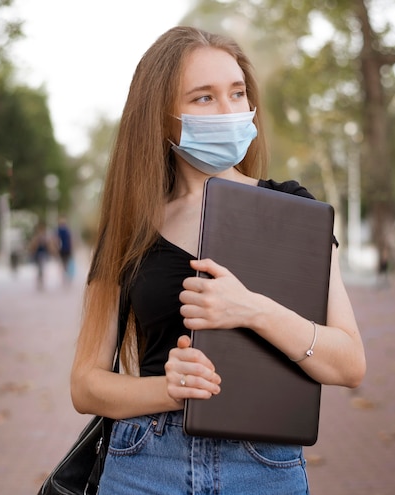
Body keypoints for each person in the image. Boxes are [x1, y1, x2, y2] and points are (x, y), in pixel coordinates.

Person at [70, 26, 366, 495]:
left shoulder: (294, 210)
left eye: (237, 93)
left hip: (262, 466)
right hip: (145, 462)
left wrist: (252, 309)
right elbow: (85, 386)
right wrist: (169, 389)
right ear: (162, 118)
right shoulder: (129, 228)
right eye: (204, 98)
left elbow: (349, 363)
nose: (229, 111)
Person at [28, 221, 51, 291]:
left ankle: (41, 280)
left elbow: (49, 246)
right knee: (39, 269)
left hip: (43, 254)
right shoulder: (36, 238)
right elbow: (32, 247)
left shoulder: (45, 237)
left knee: (42, 268)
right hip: (37, 255)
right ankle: (39, 280)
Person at [56, 216, 74, 284]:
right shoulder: (59, 230)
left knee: (66, 263)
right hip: (62, 250)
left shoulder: (66, 230)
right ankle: (65, 276)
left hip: (67, 249)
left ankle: (66, 276)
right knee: (64, 263)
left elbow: (70, 240)